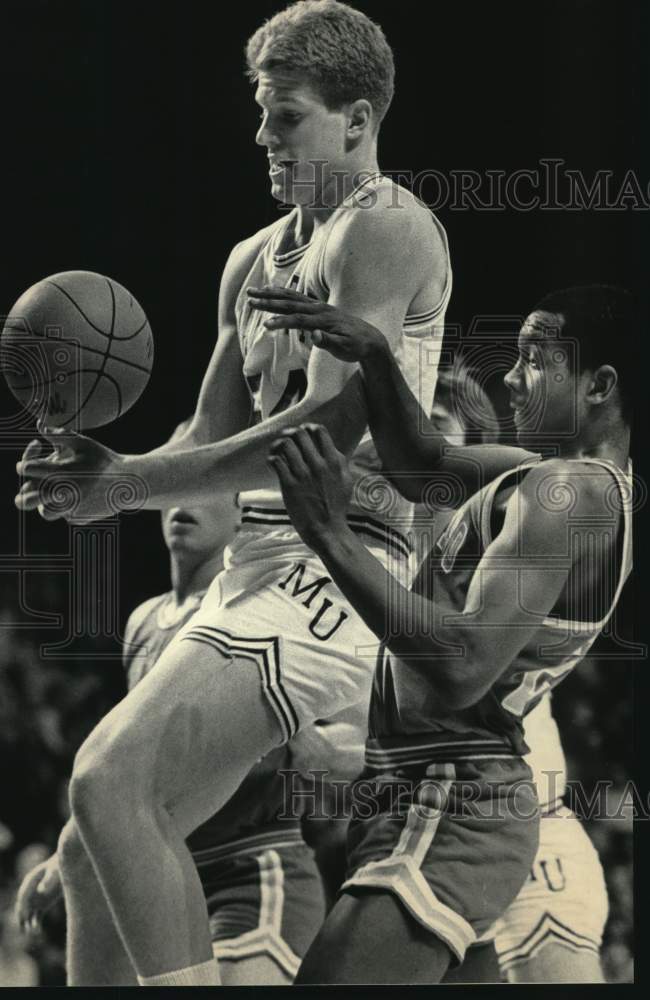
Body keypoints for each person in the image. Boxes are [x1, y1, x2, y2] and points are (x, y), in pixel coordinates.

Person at [15, 2, 451, 984]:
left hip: (340, 563)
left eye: (284, 115)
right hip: (256, 559)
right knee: (95, 843)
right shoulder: (250, 261)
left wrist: (123, 484)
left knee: (109, 780)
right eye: (259, 113)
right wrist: (85, 459)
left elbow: (321, 433)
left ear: (356, 117)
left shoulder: (385, 231)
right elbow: (207, 435)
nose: (260, 135)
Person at [255, 282, 632, 983]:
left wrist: (333, 535)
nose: (510, 380)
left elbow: (462, 666)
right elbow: (417, 462)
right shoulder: (544, 477)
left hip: (457, 790)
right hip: (421, 786)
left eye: (533, 359)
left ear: (599, 385)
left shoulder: (571, 493)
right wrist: (373, 353)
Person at [15, 441, 332, 986]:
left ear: (246, 509)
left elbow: (325, 747)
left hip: (252, 867)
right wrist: (80, 846)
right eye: (178, 486)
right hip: (153, 868)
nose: (186, 503)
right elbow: (130, 762)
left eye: (206, 488)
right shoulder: (143, 621)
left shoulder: (255, 612)